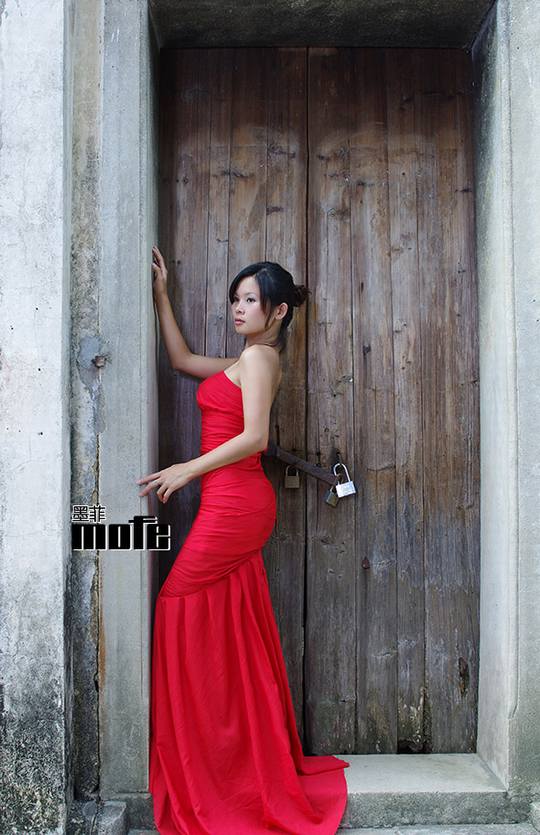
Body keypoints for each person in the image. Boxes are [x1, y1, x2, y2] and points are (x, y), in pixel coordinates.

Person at [136, 245, 350, 834]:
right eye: (235, 299)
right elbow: (181, 360)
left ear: (277, 311)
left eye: (249, 300)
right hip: (229, 501)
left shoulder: (260, 360)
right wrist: (161, 294)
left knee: (175, 604)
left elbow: (255, 438)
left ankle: (210, 752)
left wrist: (187, 469)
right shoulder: (243, 359)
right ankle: (226, 748)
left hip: (236, 503)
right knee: (226, 619)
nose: (238, 308)